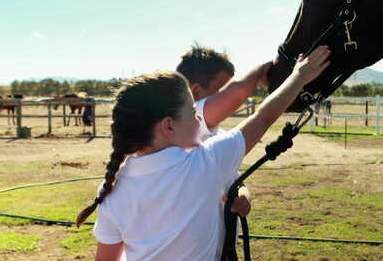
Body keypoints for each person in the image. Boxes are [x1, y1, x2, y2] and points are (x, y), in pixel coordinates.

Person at [75, 46, 331, 261]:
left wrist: (239, 192)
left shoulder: (111, 187)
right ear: (168, 126)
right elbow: (263, 117)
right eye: (192, 112)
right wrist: (299, 77)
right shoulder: (208, 160)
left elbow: (106, 258)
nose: (200, 117)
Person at [176, 45, 272, 217]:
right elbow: (238, 92)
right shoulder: (187, 119)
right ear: (195, 92)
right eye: (221, 91)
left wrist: (243, 194)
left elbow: (232, 177)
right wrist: (262, 70)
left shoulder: (216, 134)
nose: (227, 98)